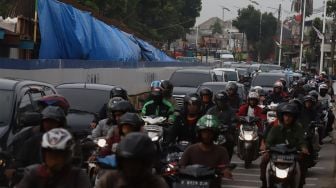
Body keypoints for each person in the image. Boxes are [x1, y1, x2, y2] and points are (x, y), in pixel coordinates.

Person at [16, 128, 91, 188]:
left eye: (59, 155)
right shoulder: (34, 173)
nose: (54, 159)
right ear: (43, 154)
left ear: (67, 156)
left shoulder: (77, 176)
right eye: (50, 154)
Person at [260, 103, 309, 188]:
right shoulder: (275, 128)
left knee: (302, 163)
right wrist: (266, 150)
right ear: (282, 116)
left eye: (290, 116)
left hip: (293, 154)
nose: (288, 118)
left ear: (294, 117)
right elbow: (269, 141)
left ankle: (300, 183)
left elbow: (302, 141)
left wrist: (304, 148)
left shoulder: (298, 127)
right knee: (264, 162)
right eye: (286, 115)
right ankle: (264, 183)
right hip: (276, 154)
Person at [96, 133, 169, 188]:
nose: (132, 168)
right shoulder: (109, 180)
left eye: (137, 163)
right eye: (128, 162)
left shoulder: (157, 184)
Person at [179, 115, 232, 188]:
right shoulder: (190, 149)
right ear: (199, 133)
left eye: (210, 132)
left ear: (215, 134)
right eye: (204, 132)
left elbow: (225, 167)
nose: (207, 135)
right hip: (191, 185)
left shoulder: (222, 151)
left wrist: (226, 171)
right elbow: (181, 166)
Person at [207, 92, 236, 160]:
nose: (220, 103)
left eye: (222, 101)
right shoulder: (211, 110)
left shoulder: (231, 110)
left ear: (226, 101)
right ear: (216, 101)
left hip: (225, 132)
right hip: (213, 131)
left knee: (231, 140)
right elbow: (206, 119)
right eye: (219, 101)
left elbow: (233, 121)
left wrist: (230, 126)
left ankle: (228, 159)